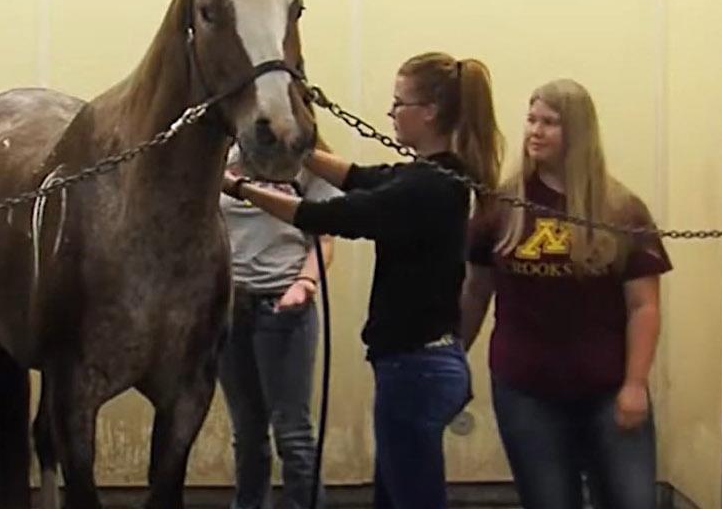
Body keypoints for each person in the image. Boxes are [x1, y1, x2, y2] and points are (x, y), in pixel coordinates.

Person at [222, 52, 503, 509]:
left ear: (428, 111)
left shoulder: (429, 187)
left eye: (399, 104)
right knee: (394, 495)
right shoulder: (428, 173)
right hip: (411, 365)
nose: (391, 114)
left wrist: (237, 187)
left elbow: (325, 214)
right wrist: (292, 145)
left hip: (417, 367)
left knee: (412, 498)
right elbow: (358, 178)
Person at [458, 78, 671, 509]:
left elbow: (643, 305)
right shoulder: (502, 206)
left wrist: (635, 384)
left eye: (550, 123)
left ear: (577, 132)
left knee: (631, 500)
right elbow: (476, 292)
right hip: (527, 389)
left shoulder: (620, 208)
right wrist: (452, 358)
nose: (535, 131)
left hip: (607, 387)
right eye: (531, 120)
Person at [217, 141, 339, 509]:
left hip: (284, 307)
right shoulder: (224, 158)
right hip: (230, 307)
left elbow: (326, 237)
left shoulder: (307, 162)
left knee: (293, 434)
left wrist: (306, 282)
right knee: (248, 432)